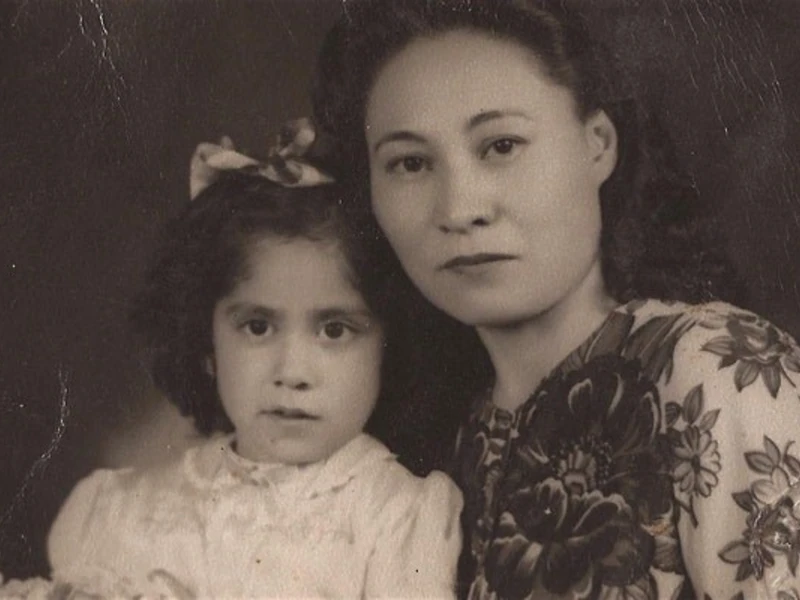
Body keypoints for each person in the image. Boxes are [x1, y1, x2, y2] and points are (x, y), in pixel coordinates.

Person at [310, 1, 800, 598]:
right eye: (410, 163)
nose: (461, 209)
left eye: (501, 146)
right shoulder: (442, 440)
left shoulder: (715, 369)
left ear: (598, 144)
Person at [38, 124, 463, 599]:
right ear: (206, 343)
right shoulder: (119, 511)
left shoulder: (395, 517)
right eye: (258, 327)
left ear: (389, 346)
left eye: (335, 330)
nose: (292, 373)